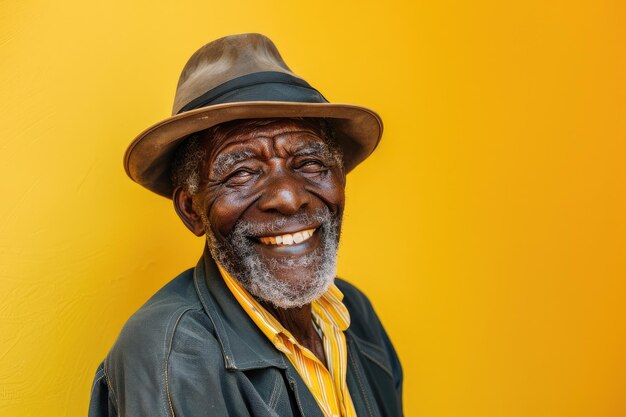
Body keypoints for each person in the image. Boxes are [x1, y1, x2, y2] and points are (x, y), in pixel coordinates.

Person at [89, 33, 403, 417]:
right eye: (241, 173)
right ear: (192, 210)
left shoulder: (356, 315)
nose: (288, 197)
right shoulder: (171, 355)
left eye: (309, 163)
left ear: (340, 181)